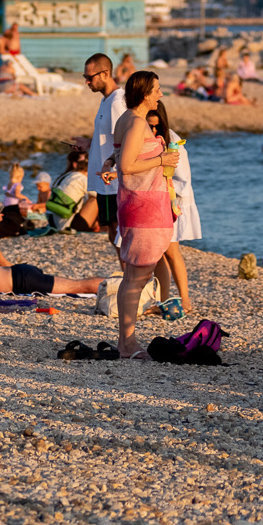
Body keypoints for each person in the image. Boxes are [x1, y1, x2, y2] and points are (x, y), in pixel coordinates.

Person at [106, 71, 179, 358]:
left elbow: (120, 157)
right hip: (144, 207)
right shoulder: (136, 122)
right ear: (145, 93)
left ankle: (126, 342)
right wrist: (162, 158)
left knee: (132, 277)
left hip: (136, 204)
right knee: (137, 278)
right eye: (157, 89)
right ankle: (128, 344)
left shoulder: (126, 119)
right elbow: (126, 166)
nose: (160, 94)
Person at [147, 102, 197, 315]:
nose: (153, 130)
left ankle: (185, 300)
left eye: (156, 126)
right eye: (149, 126)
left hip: (171, 201)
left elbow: (183, 178)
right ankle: (164, 301)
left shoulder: (174, 142)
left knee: (171, 250)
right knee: (159, 253)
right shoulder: (145, 139)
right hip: (155, 200)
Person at [84, 53, 126, 256]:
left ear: (105, 74)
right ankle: (127, 273)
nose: (87, 81)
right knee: (112, 231)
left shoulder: (117, 101)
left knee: (118, 232)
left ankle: (130, 274)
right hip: (104, 179)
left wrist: (116, 170)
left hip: (113, 180)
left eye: (90, 77)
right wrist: (87, 144)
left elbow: (124, 140)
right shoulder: (106, 100)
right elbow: (109, 139)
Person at [49, 150, 98, 233]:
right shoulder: (81, 178)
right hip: (69, 225)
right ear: (75, 164)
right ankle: (103, 227)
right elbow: (100, 196)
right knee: (96, 199)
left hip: (53, 223)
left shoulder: (62, 177)